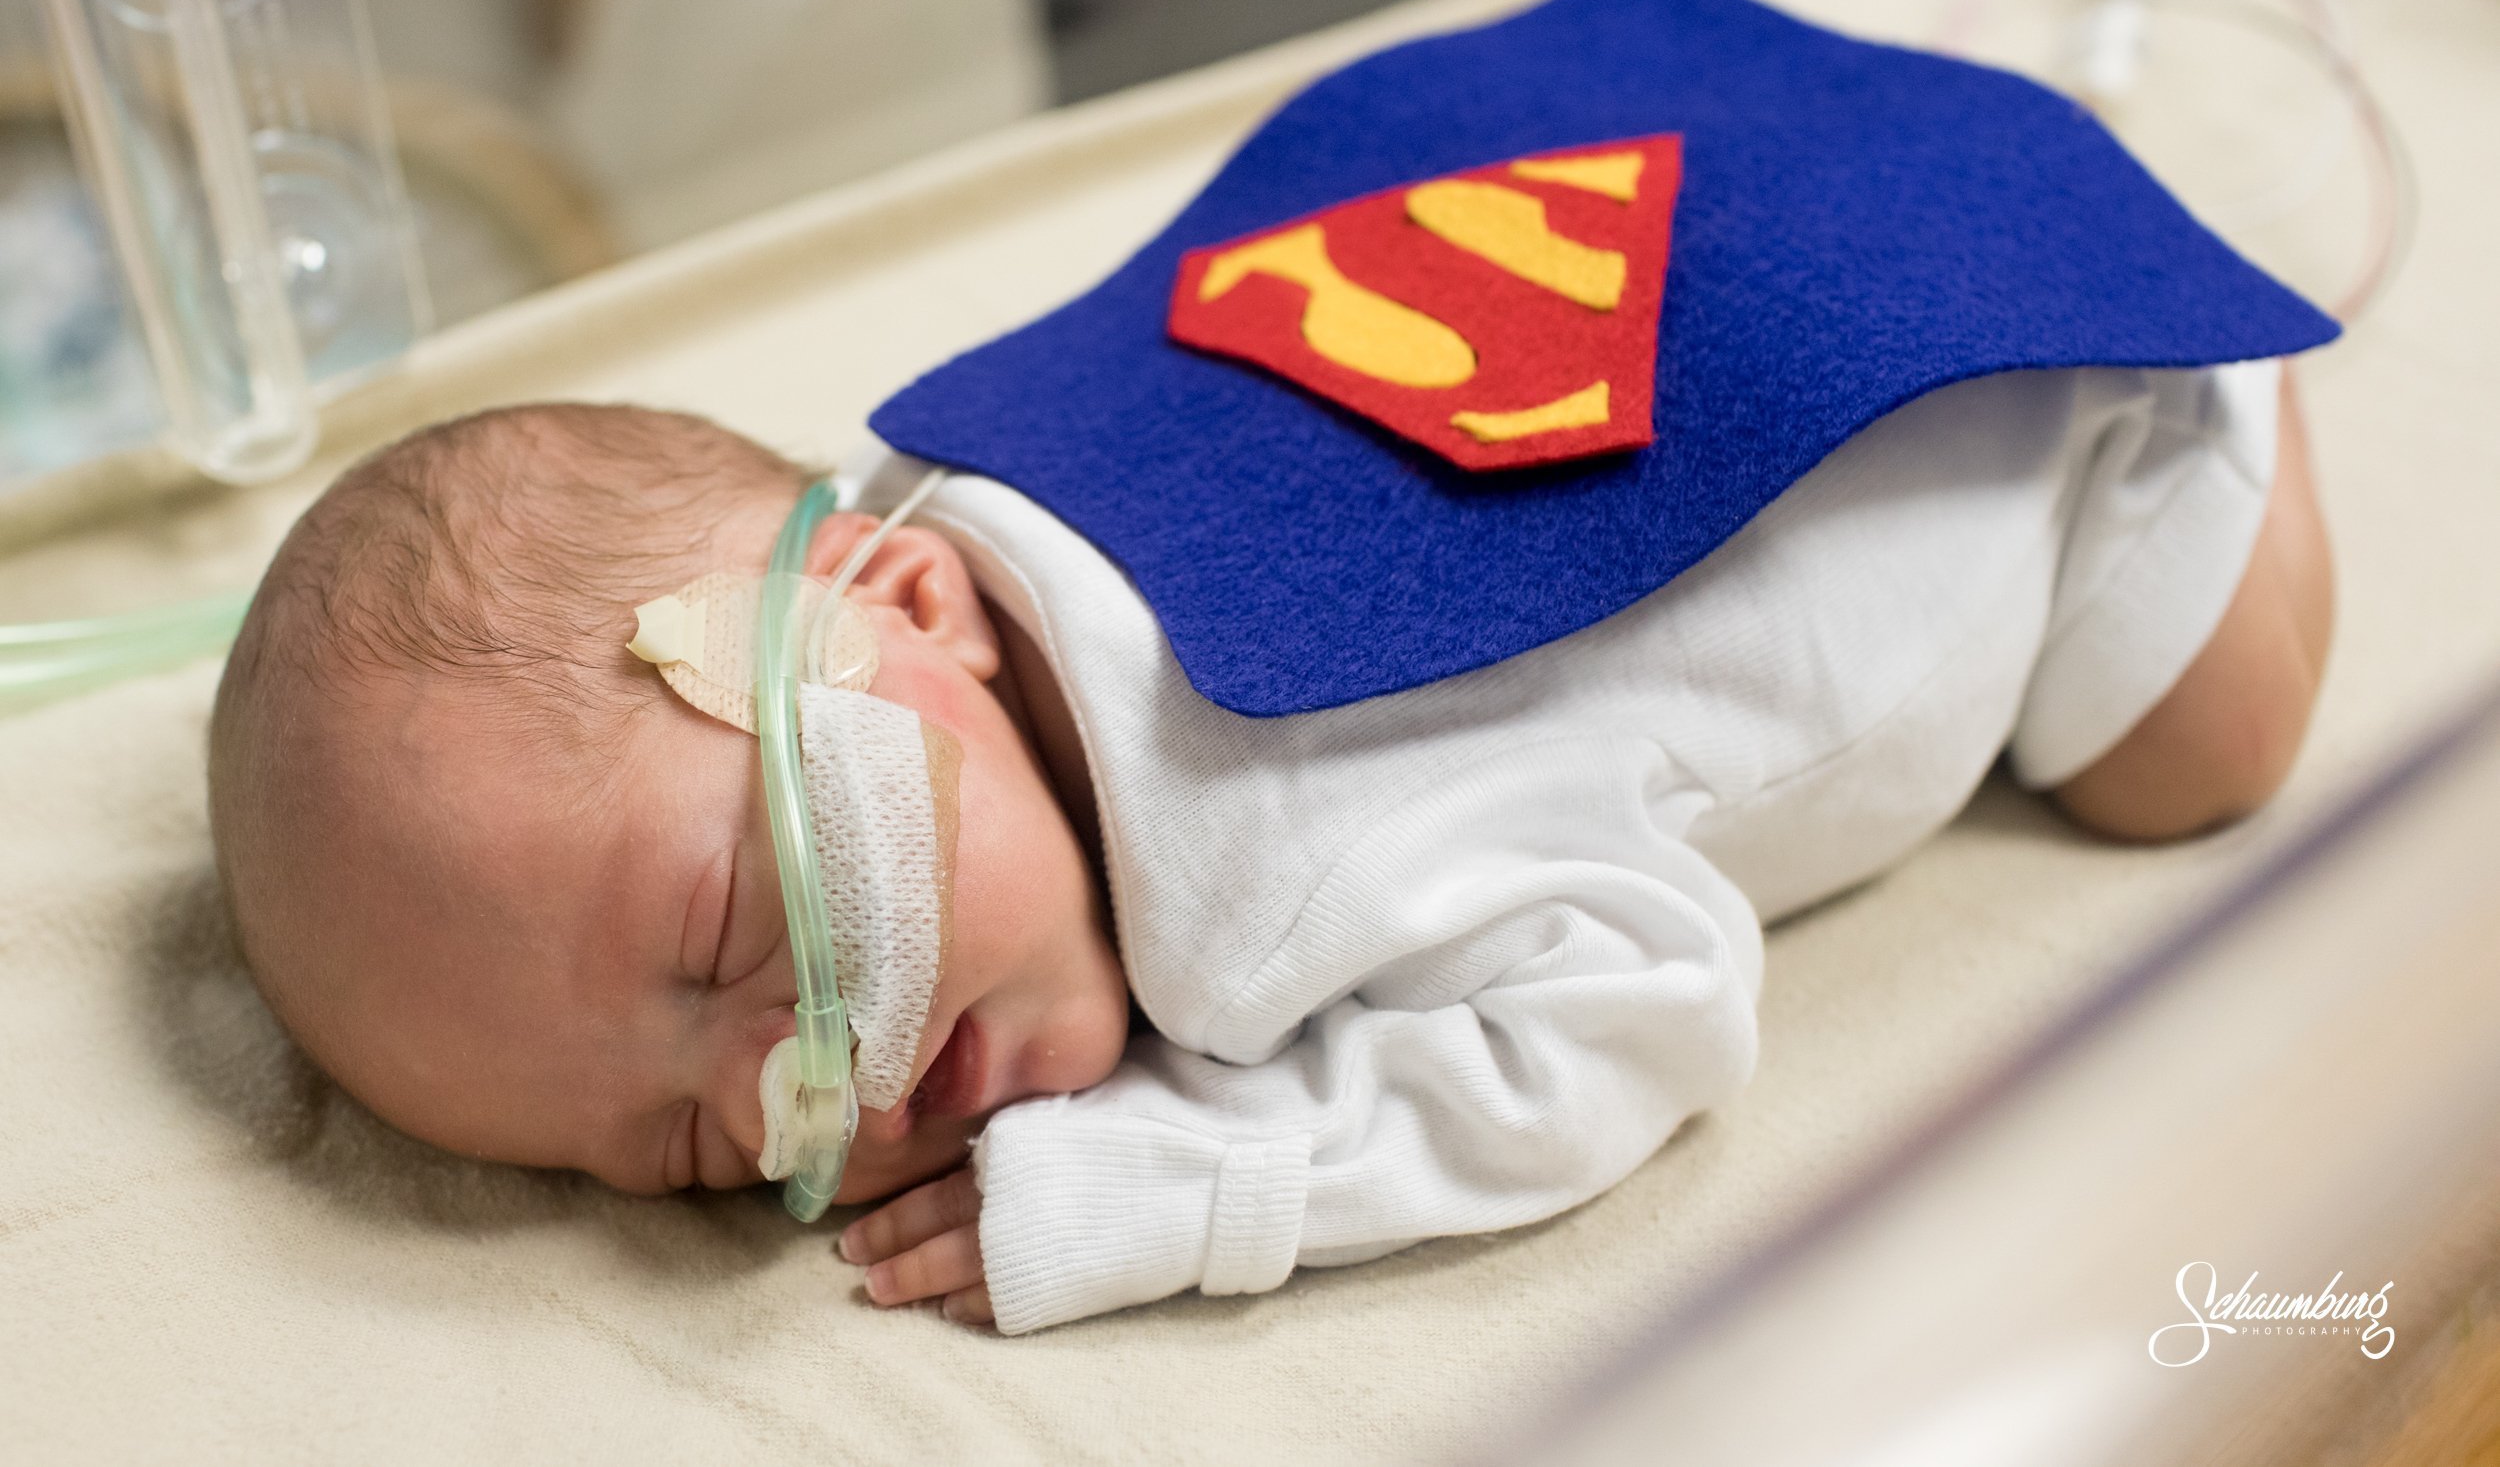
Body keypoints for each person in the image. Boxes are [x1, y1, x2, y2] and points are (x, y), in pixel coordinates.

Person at [204, 347, 2329, 1335]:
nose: (808, 1087)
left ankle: (2244, 384)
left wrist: (1232, 1175)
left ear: (912, 602)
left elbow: (1656, 1007)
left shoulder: (1276, 846)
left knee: (2183, 753)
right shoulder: (960, 537)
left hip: (2024, 423)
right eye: (693, 1149)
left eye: (736, 924)